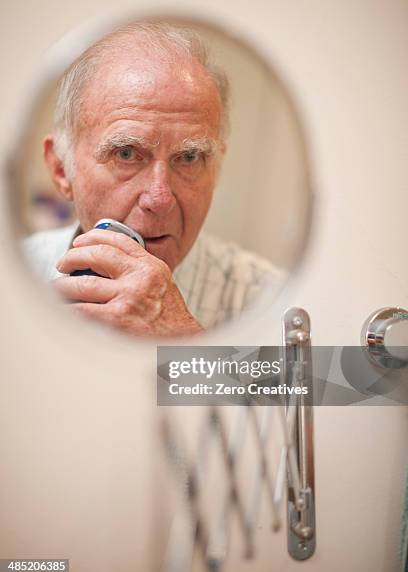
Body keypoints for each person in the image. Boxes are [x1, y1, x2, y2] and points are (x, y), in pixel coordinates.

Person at [24, 22, 282, 337]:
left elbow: (338, 388)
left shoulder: (275, 301)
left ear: (216, 168)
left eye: (188, 158)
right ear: (61, 169)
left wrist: (182, 337)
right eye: (126, 154)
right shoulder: (14, 277)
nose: (159, 199)